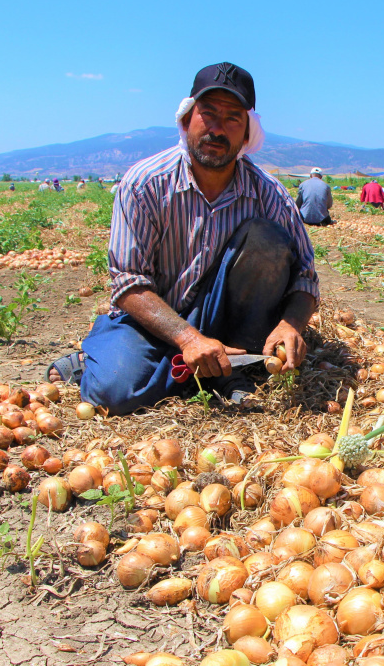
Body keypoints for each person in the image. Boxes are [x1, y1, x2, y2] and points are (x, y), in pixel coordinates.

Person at [46, 62, 319, 414]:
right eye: (208, 114)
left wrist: (290, 324)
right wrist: (188, 338)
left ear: (247, 132)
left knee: (266, 239)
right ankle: (116, 361)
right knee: (115, 392)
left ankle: (221, 363)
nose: (217, 129)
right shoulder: (145, 183)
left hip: (232, 324)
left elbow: (306, 277)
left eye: (233, 118)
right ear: (187, 118)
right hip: (155, 321)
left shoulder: (269, 194)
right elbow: (128, 283)